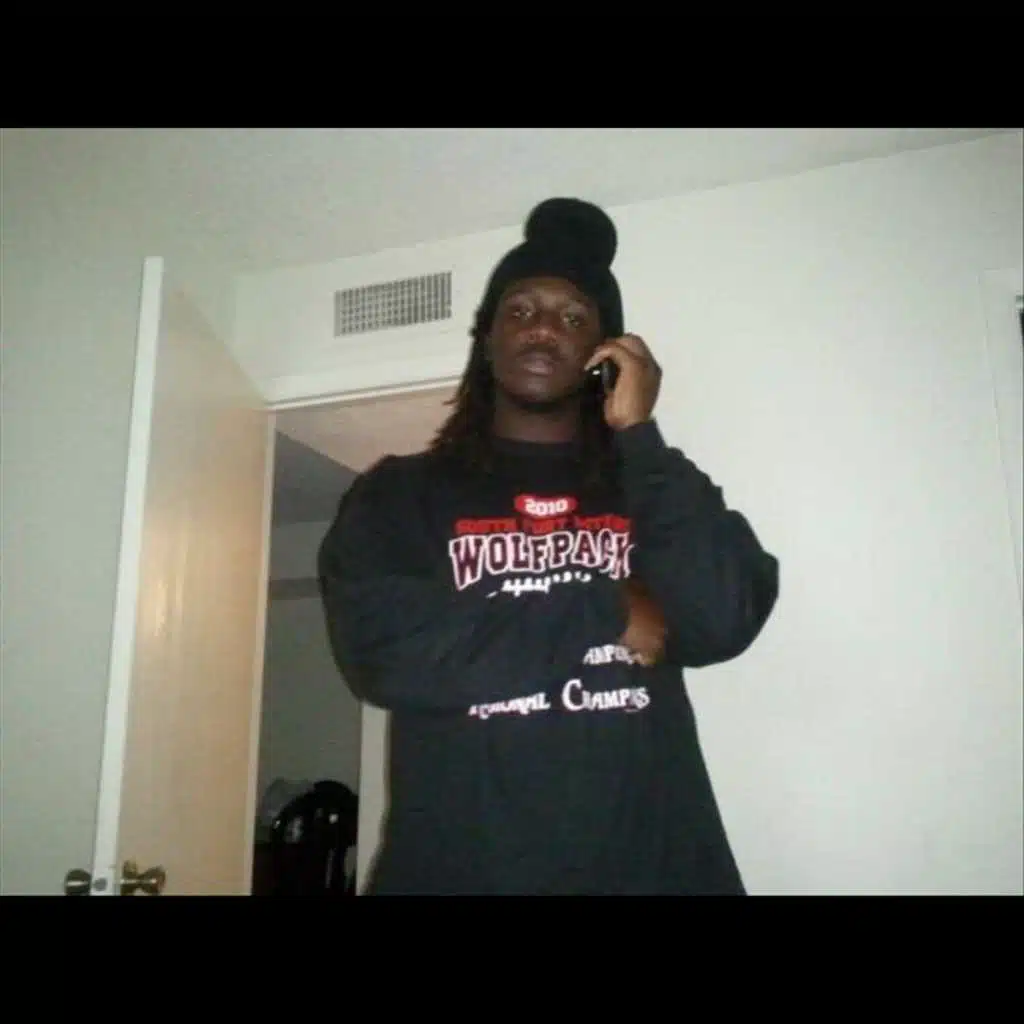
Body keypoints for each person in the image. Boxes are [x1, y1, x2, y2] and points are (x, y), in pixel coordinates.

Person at [317, 197, 779, 894]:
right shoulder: (397, 494)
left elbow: (724, 617)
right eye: (521, 310)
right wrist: (607, 608)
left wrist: (640, 438)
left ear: (603, 356)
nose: (542, 328)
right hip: (456, 873)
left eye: (573, 318)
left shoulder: (647, 485)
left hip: (651, 870)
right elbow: (387, 656)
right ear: (487, 338)